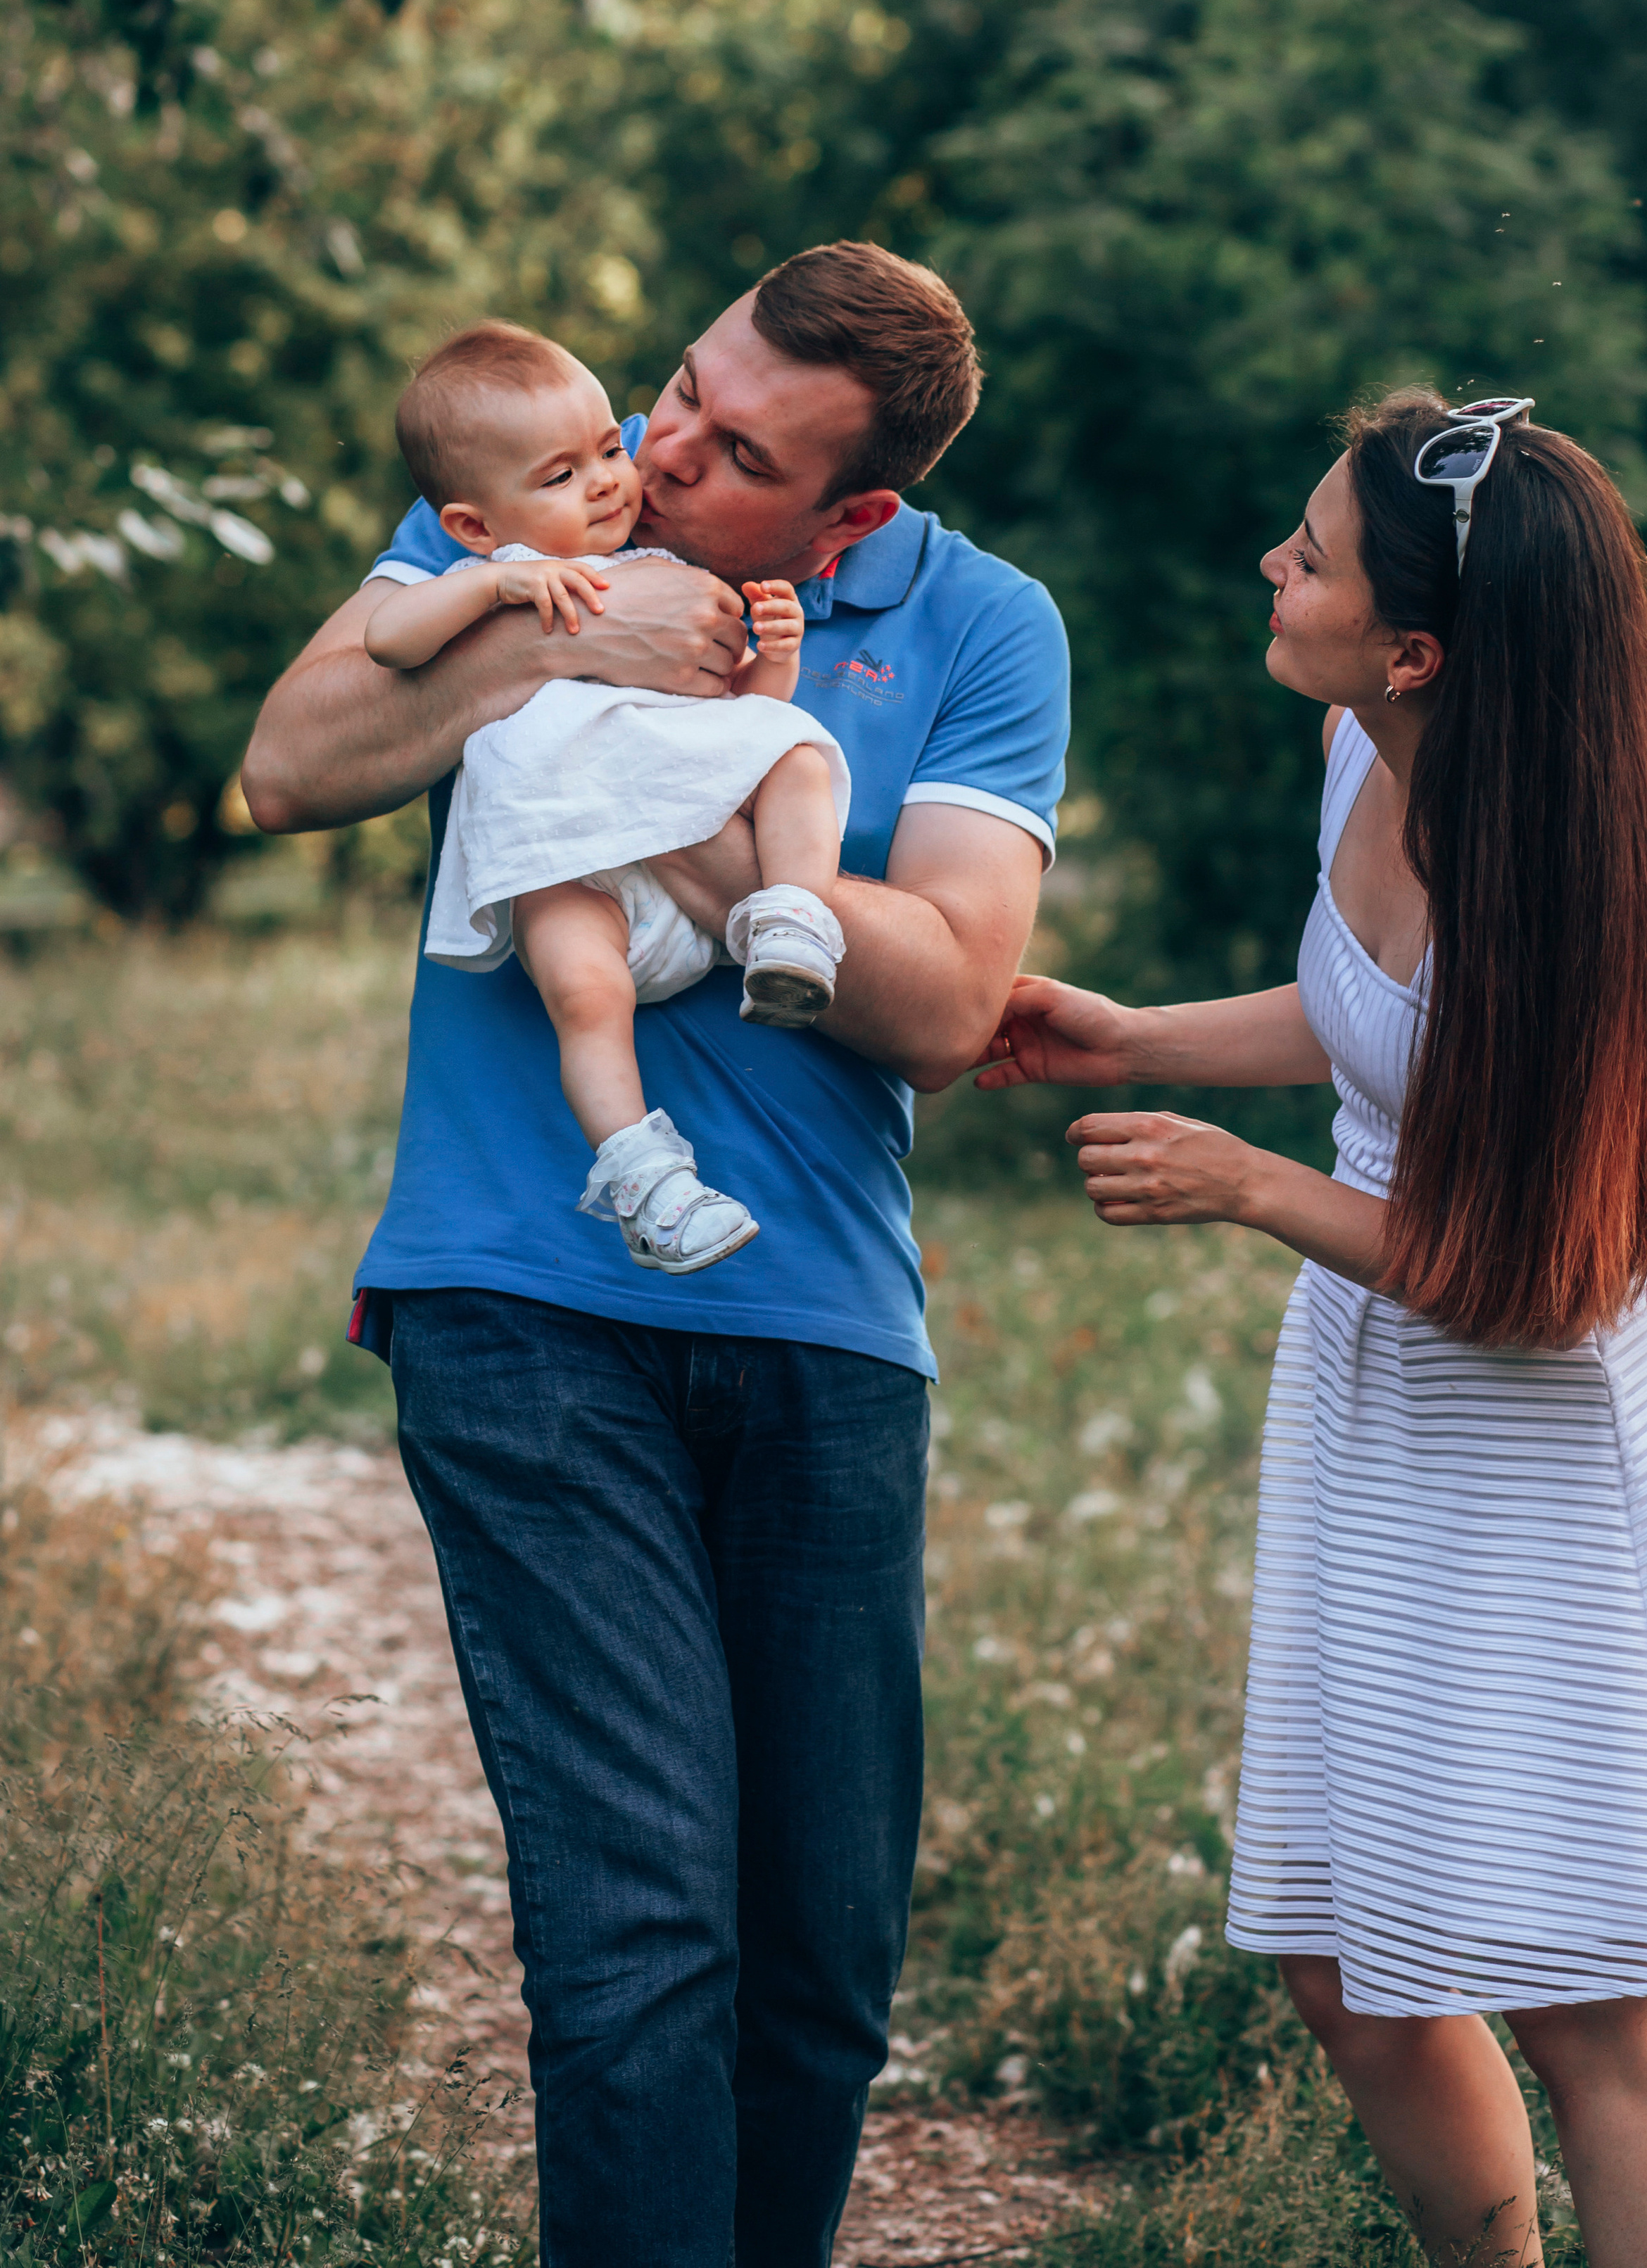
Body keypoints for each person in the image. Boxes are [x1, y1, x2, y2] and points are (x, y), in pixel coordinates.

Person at [240, 240, 1069, 2268]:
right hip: (523, 1291)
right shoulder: (546, 498)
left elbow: (954, 996)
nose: (664, 438)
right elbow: (294, 767)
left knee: (821, 1950)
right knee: (637, 1928)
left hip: (823, 1320)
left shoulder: (982, 625)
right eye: (682, 384)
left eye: (735, 441)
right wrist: (573, 638)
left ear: (852, 512)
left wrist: (702, 770)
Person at [978, 388, 1647, 2268]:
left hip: (1542, 1455)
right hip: (1391, 1419)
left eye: (1315, 558)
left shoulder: (1546, 881)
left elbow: (1549, 1284)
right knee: (1355, 1971)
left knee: (1592, 2007)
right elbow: (1363, 1017)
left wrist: (1250, 1186)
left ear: (1417, 646)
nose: (1277, 566)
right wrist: (1130, 1035)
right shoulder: (1373, 755)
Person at [366, 318, 855, 1272]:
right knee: (587, 999)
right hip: (567, 863)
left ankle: (790, 918)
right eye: (560, 477)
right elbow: (391, 639)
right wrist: (495, 593)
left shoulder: (664, 573)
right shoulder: (497, 575)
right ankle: (647, 1179)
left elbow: (732, 724)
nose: (606, 481)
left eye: (604, 451)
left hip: (691, 876)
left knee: (797, 750)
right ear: (472, 524)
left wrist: (778, 662)